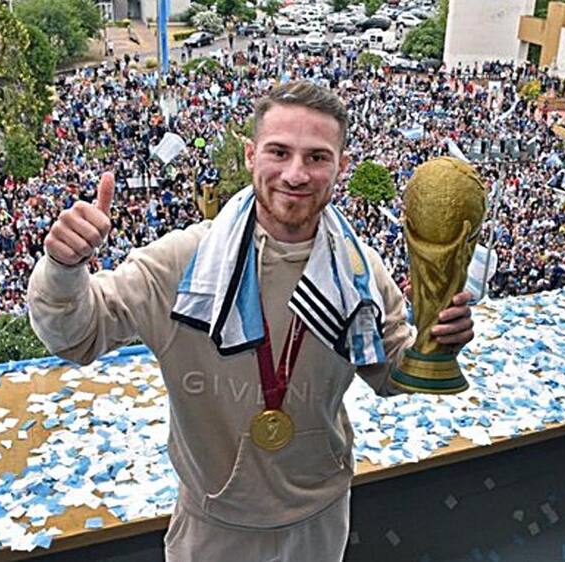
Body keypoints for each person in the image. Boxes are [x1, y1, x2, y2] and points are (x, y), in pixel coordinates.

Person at [27, 81, 476, 562]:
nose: (296, 174)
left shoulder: (360, 272)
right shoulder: (184, 263)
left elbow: (389, 374)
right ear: (249, 155)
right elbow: (76, 336)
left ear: (342, 166)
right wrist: (63, 267)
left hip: (318, 520)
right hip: (214, 527)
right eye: (278, 152)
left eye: (317, 158)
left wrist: (437, 345)